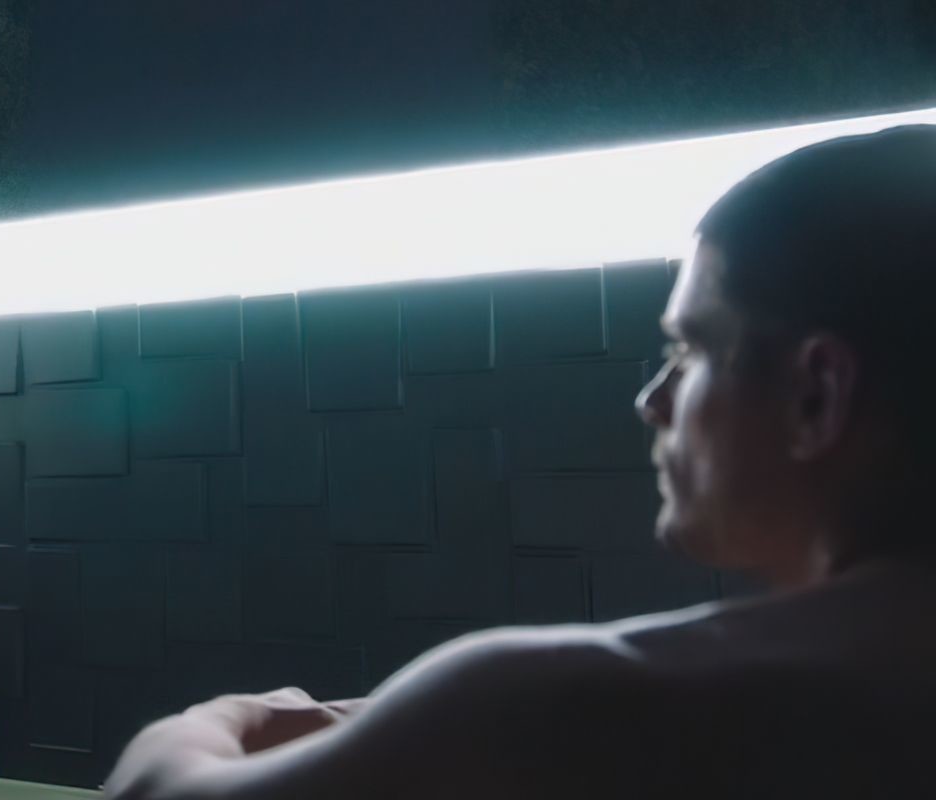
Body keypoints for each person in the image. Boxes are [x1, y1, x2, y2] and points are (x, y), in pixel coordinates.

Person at [103, 125, 936, 799]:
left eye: (689, 350)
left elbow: (155, 793)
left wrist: (226, 718)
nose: (653, 400)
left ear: (816, 395)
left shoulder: (564, 709)